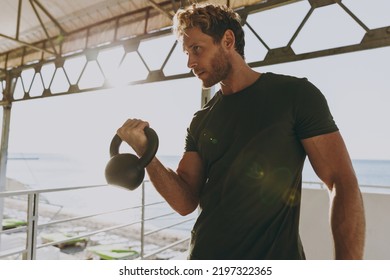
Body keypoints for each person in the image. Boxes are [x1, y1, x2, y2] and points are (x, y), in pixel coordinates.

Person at [116, 3, 365, 260]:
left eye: (197, 49)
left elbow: (341, 181)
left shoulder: (295, 96)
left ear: (227, 40)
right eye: (187, 53)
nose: (190, 62)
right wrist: (147, 154)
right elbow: (185, 202)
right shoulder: (200, 120)